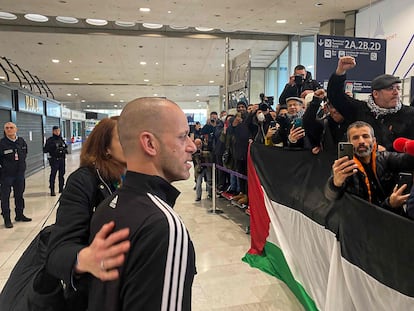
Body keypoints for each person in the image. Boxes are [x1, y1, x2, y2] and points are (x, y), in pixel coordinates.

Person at [88, 97, 197, 311]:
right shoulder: (163, 226)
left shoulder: (108, 205)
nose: (192, 146)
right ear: (149, 144)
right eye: (183, 137)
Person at [45, 117, 130, 310]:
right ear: (106, 148)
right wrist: (84, 258)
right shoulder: (84, 180)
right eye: (124, 138)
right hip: (93, 293)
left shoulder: (138, 178)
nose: (132, 144)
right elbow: (58, 251)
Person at [324, 121, 414, 216]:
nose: (361, 141)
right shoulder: (344, 167)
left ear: (374, 141)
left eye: (365, 136)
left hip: (389, 219)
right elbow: (330, 197)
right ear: (349, 143)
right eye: (355, 138)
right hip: (361, 221)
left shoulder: (384, 158)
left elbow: (407, 160)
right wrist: (335, 183)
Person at [327, 56, 414, 151]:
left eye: (398, 88)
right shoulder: (359, 110)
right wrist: (340, 71)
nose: (396, 92)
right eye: (390, 89)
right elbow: (335, 96)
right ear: (376, 94)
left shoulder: (410, 114)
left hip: (399, 165)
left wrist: (387, 152)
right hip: (364, 164)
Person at [0, 122, 30, 228]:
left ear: (16, 129)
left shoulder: (21, 141)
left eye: (11, 128)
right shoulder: (2, 143)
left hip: (19, 174)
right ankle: (7, 219)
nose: (9, 130)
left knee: (19, 195)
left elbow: (25, 153)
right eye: (7, 128)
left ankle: (20, 215)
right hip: (6, 176)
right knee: (5, 197)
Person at [43, 126, 68, 196]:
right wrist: (53, 146)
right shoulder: (50, 140)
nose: (57, 132)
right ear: (53, 131)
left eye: (58, 131)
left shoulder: (61, 139)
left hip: (62, 159)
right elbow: (45, 150)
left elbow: (65, 147)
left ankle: (61, 188)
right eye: (56, 131)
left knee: (62, 175)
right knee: (53, 175)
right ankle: (52, 189)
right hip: (54, 160)